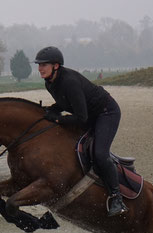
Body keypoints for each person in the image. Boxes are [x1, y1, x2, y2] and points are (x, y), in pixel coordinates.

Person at [34, 46, 128, 217]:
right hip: (88, 114)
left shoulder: (69, 81)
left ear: (56, 66)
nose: (40, 68)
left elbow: (81, 117)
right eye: (39, 65)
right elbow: (65, 103)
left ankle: (117, 198)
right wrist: (53, 109)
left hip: (106, 113)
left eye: (43, 65)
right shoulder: (50, 83)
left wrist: (56, 118)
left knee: (99, 154)